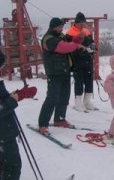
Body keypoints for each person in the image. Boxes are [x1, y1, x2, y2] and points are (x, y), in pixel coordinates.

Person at [38, 17, 86, 135]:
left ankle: (59, 119)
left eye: (61, 27)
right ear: (53, 27)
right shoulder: (48, 39)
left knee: (64, 97)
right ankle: (43, 124)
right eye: (59, 27)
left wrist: (79, 38)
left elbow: (69, 41)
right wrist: (77, 46)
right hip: (54, 73)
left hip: (64, 71)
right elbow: (63, 47)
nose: (61, 29)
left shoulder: (59, 36)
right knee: (52, 98)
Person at [0, 50, 37, 180]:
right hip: (3, 134)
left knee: (6, 165)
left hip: (5, 130)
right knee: (12, 166)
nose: (2, 70)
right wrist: (14, 98)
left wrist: (20, 94)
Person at [65, 12, 97, 112]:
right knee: (78, 81)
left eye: (84, 22)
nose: (83, 24)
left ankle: (87, 101)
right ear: (76, 22)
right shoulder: (70, 32)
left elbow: (92, 43)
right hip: (77, 60)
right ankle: (78, 102)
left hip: (88, 59)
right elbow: (68, 47)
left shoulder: (87, 31)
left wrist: (93, 50)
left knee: (89, 80)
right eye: (81, 22)